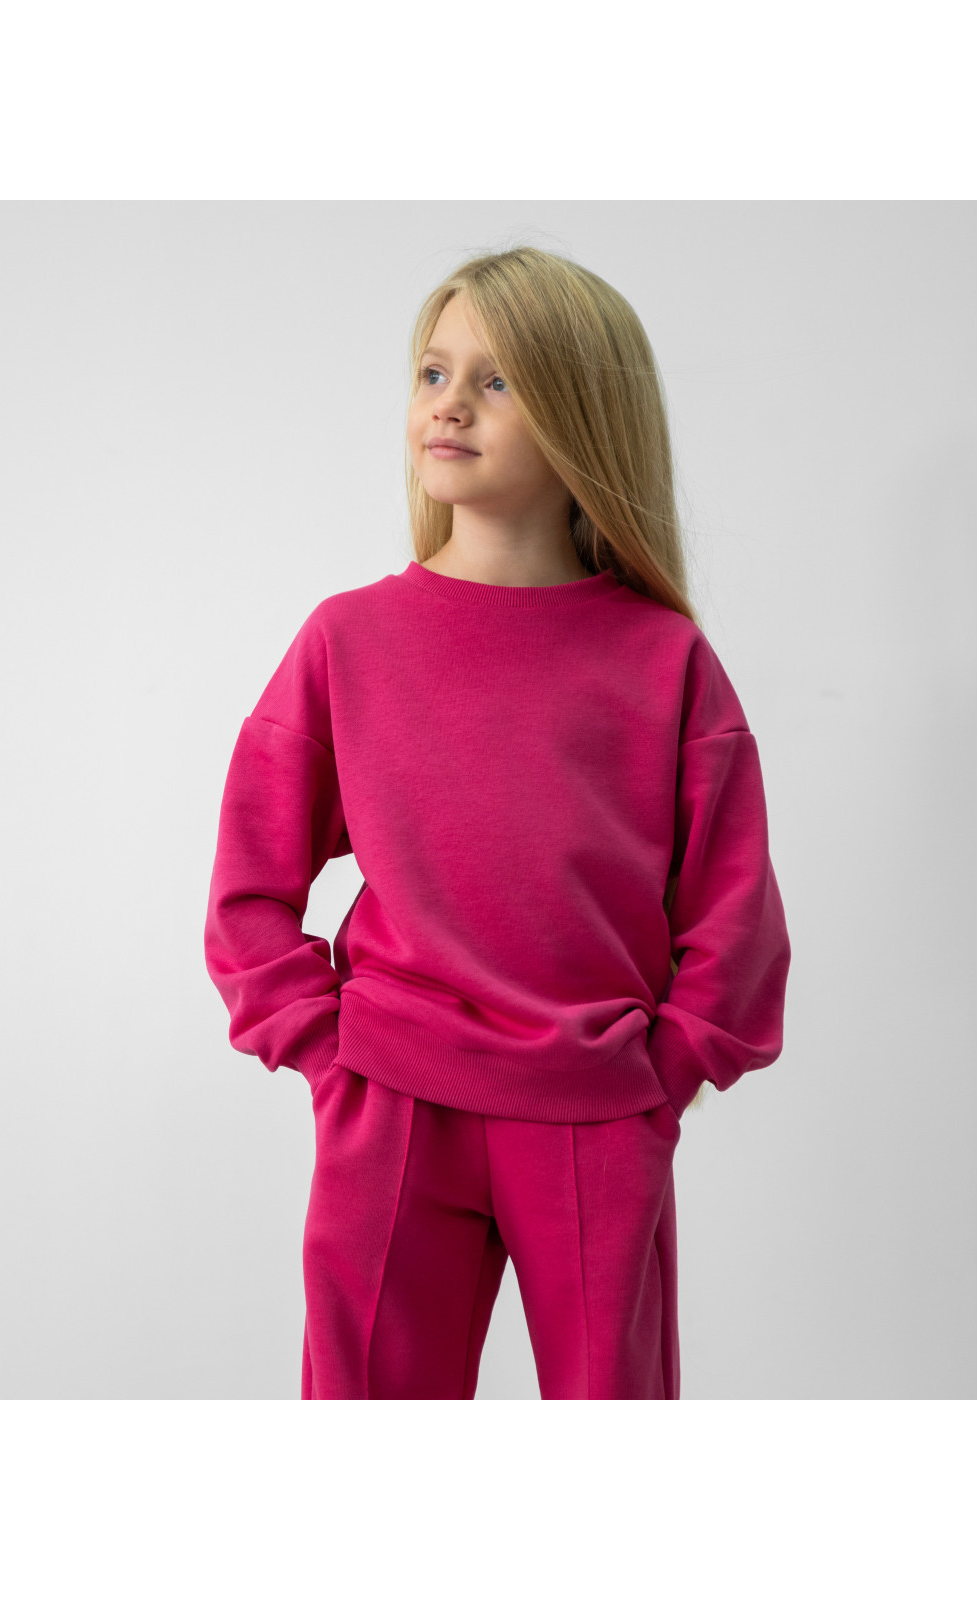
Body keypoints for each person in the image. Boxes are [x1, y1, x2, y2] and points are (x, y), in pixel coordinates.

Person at [203, 245, 792, 1400]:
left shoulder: (663, 658)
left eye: (498, 379)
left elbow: (736, 910)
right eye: (434, 372)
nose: (450, 403)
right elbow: (249, 884)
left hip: (594, 1107)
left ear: (585, 415)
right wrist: (327, 1047)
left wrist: (666, 1072)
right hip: (392, 1102)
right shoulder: (348, 641)